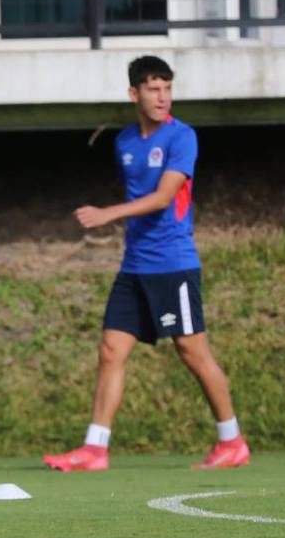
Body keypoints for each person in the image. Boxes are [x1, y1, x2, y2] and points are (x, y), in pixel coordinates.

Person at [43, 56, 249, 472]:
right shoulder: (124, 142)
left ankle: (232, 441)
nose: (162, 97)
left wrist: (107, 213)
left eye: (167, 88)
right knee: (110, 350)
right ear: (133, 93)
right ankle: (95, 449)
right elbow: (139, 196)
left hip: (173, 264)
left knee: (192, 351)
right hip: (135, 266)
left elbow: (162, 198)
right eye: (153, 89)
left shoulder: (182, 137)